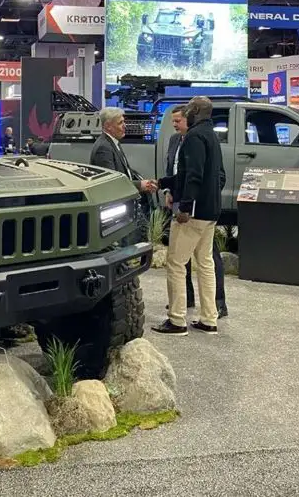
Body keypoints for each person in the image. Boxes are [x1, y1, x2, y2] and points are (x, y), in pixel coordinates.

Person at [154, 96, 225, 336]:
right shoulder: (211, 135)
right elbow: (207, 175)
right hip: (210, 211)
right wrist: (163, 183)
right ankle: (209, 318)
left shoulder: (194, 137)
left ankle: (177, 320)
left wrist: (185, 207)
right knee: (205, 263)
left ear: (195, 110)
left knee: (176, 263)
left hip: (193, 213)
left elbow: (193, 175)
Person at [90, 107, 157, 195]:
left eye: (123, 122)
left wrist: (144, 183)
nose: (125, 126)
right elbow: (111, 182)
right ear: (108, 126)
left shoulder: (113, 142)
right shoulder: (103, 148)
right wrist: (140, 185)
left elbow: (126, 172)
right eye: (120, 123)